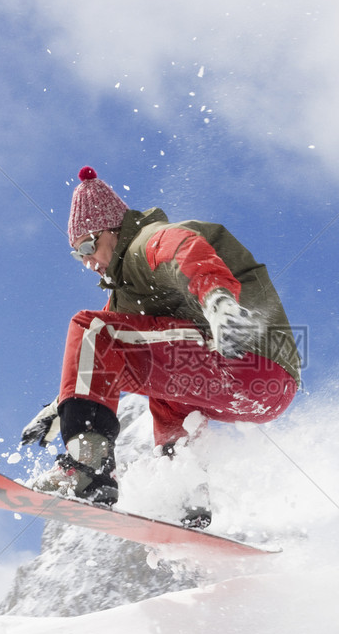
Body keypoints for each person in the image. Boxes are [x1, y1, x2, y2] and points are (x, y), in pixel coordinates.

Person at [20, 166, 301, 525]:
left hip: (246, 354)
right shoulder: (125, 294)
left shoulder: (144, 243)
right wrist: (62, 405)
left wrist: (218, 302)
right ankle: (187, 498)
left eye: (89, 246)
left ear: (113, 231)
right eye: (78, 255)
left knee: (90, 328)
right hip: (266, 390)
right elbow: (103, 359)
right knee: (164, 390)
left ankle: (87, 466)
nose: (88, 262)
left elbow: (185, 251)